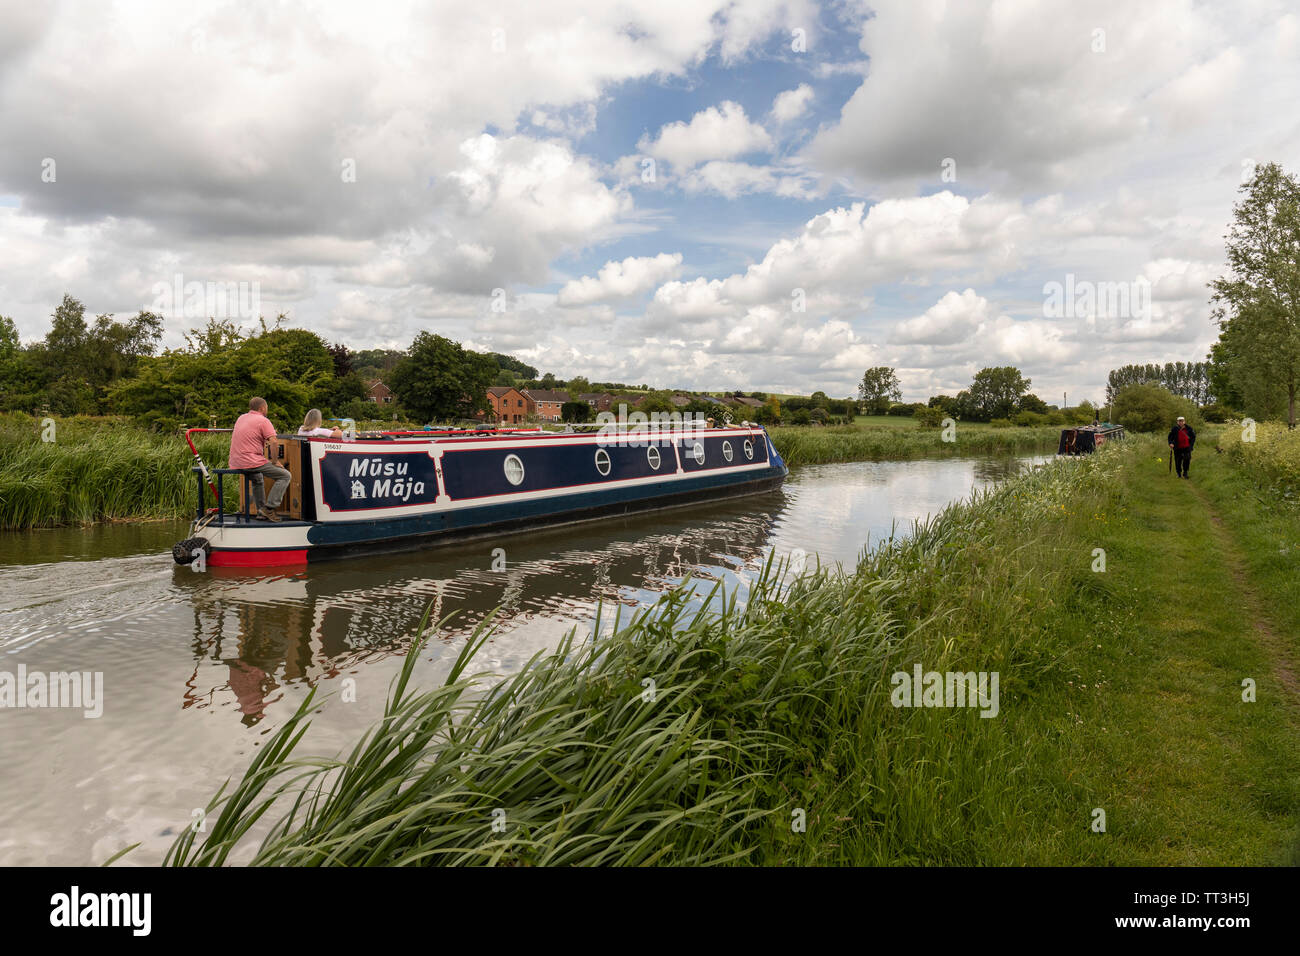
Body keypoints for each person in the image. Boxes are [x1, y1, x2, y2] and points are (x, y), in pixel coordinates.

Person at [230, 397, 290, 521]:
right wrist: (275, 461)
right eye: (267, 408)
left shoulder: (241, 418)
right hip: (250, 461)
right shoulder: (263, 420)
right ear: (262, 408)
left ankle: (260, 512)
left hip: (235, 461)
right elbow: (273, 441)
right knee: (285, 475)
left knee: (258, 478)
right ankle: (269, 508)